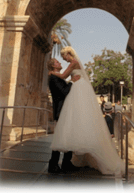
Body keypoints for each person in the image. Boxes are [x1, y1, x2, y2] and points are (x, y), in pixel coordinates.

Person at [50, 46, 124, 176]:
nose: (63, 60)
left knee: (70, 125)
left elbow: (63, 76)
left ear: (68, 54)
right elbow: (65, 82)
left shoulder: (73, 63)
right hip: (77, 90)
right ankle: (61, 163)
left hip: (77, 90)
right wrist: (70, 81)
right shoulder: (74, 64)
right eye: (60, 60)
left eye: (63, 57)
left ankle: (65, 162)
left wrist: (52, 73)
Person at [46, 58, 78, 173]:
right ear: (53, 66)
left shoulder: (57, 77)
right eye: (57, 62)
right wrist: (72, 81)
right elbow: (64, 92)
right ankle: (53, 164)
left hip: (65, 111)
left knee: (68, 137)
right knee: (60, 138)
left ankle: (66, 163)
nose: (60, 63)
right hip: (61, 112)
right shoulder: (54, 78)